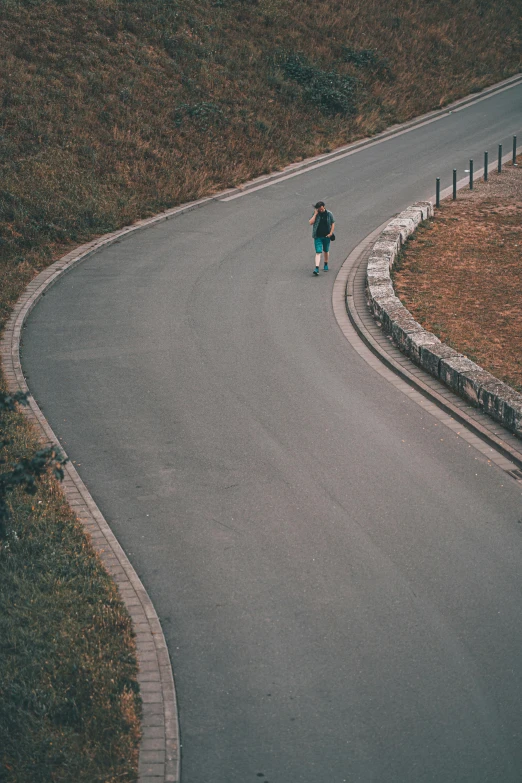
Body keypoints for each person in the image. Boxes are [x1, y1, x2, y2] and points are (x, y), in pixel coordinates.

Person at [309, 201, 335, 276]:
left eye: (321, 208)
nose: (320, 210)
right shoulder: (316, 214)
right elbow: (310, 222)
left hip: (326, 236)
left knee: (326, 250)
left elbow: (332, 223)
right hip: (317, 236)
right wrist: (315, 214)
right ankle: (316, 267)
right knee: (318, 252)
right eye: (319, 209)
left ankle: (326, 263)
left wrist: (331, 233)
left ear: (323, 206)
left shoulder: (329, 214)